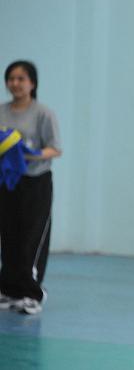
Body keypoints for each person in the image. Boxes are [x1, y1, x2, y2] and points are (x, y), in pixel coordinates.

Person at [0, 60, 62, 315]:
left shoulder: (43, 114)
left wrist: (31, 154)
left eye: (21, 79)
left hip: (36, 183)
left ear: (32, 83)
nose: (15, 83)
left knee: (31, 238)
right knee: (9, 236)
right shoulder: (1, 111)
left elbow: (55, 149)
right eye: (11, 78)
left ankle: (32, 293)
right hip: (7, 181)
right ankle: (8, 290)